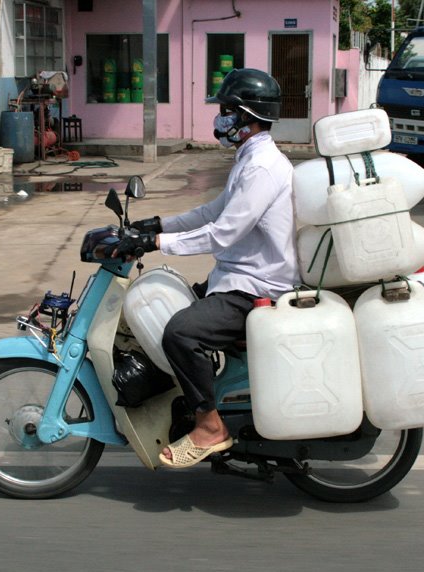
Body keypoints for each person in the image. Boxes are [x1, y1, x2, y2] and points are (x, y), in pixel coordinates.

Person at [114, 68, 300, 468]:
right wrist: (157, 224)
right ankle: (184, 400)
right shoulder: (250, 159)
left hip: (256, 288)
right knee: (160, 305)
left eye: (227, 110)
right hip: (236, 278)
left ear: (248, 116)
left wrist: (156, 244)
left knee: (179, 332)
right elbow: (211, 212)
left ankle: (210, 426)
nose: (221, 119)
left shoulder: (264, 167)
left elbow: (222, 234)